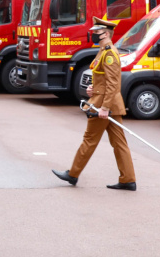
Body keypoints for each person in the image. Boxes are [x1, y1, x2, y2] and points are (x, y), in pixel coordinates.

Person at [52, 17, 137, 191]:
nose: (93, 35)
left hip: (104, 105)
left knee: (89, 140)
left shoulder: (109, 53)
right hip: (106, 102)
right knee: (119, 143)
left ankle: (73, 174)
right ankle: (128, 179)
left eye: (96, 33)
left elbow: (114, 84)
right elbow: (104, 80)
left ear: (105, 34)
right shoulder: (103, 51)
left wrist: (104, 108)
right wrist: (93, 88)